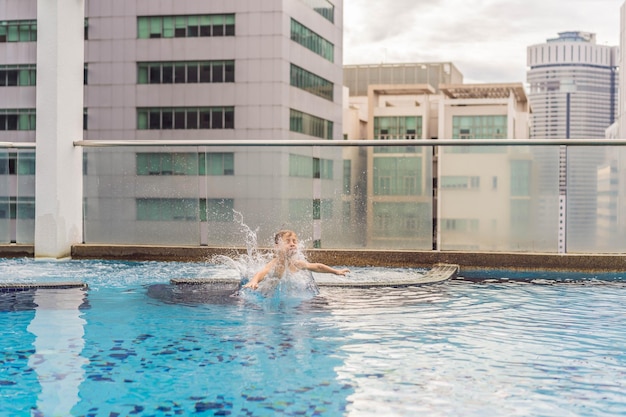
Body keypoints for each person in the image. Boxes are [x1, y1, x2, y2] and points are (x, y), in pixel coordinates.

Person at [243, 229, 350, 290]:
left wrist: (336, 271)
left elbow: (317, 266)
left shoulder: (297, 263)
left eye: (294, 241)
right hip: (267, 291)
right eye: (288, 241)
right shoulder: (276, 263)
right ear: (277, 246)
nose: (292, 244)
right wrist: (254, 281)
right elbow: (262, 272)